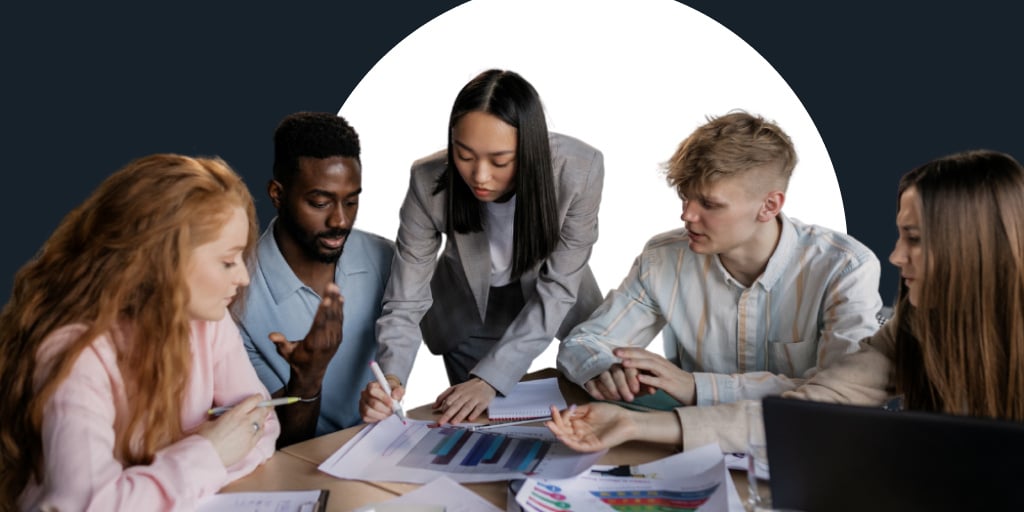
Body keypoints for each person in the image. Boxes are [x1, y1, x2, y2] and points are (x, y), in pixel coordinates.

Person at [546, 149, 1024, 453]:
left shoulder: (843, 265)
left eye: (915, 239)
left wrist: (694, 387)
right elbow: (813, 410)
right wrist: (632, 426)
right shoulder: (912, 326)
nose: (897, 256)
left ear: (974, 243)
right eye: (901, 235)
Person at [0, 154, 279, 509]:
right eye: (227, 261)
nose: (243, 277)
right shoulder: (75, 353)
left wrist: (150, 488)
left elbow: (262, 424)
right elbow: (90, 506)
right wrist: (209, 454)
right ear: (160, 261)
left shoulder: (208, 321)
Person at [556, 111, 883, 408]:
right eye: (685, 197)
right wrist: (605, 367)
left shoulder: (844, 268)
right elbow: (584, 341)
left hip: (806, 447)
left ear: (769, 205)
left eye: (709, 205)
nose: (687, 215)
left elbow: (842, 395)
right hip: (688, 445)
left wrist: (696, 386)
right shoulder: (662, 259)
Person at [360, 69, 605, 425]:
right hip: (469, 309)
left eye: (500, 161)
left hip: (556, 297)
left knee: (588, 411)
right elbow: (405, 297)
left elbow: (558, 289)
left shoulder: (579, 171)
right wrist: (391, 378)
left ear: (530, 150)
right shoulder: (428, 179)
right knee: (478, 422)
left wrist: (493, 377)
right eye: (464, 155)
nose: (480, 176)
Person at [234, 112, 394, 446]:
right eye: (320, 203)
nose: (340, 220)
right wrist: (308, 377)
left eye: (351, 201)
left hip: (382, 449)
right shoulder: (235, 294)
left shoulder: (388, 259)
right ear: (277, 194)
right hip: (300, 468)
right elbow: (282, 443)